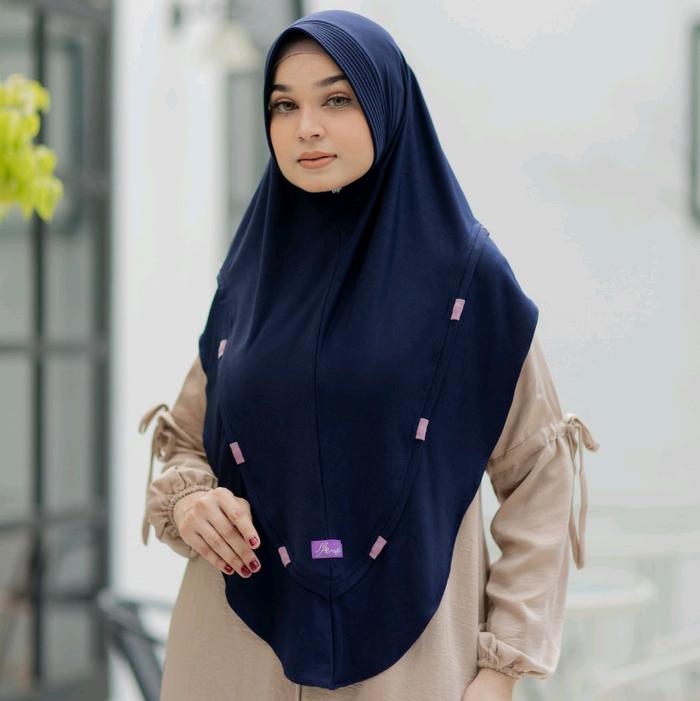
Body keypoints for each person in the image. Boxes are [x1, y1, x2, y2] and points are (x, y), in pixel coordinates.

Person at [138, 10, 600, 700]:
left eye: (336, 99)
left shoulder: (465, 284)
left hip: (411, 664)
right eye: (284, 105)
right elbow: (186, 436)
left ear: (387, 107)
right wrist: (190, 501)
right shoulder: (252, 279)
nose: (306, 127)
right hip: (231, 650)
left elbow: (539, 470)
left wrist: (501, 669)